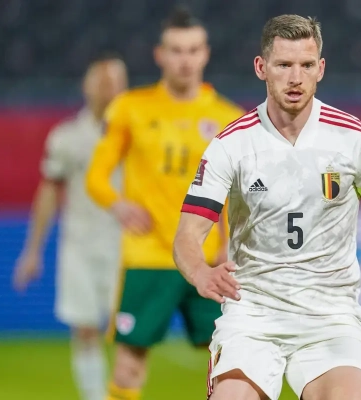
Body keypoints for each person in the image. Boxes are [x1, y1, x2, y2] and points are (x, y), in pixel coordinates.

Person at [173, 14, 361, 400]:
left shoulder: (356, 141)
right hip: (252, 316)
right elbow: (187, 234)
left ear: (321, 69)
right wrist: (200, 271)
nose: (295, 78)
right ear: (261, 67)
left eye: (306, 65)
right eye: (284, 65)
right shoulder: (230, 146)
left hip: (330, 318)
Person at [84, 7, 245, 400]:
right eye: (176, 50)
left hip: (208, 258)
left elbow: (238, 194)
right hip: (147, 256)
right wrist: (118, 205)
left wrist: (230, 241)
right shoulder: (131, 108)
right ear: (160, 55)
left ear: (205, 54)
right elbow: (96, 176)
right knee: (129, 364)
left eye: (193, 50)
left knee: (233, 362)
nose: (185, 60)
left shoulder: (229, 118)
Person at [12, 53, 128, 400]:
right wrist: (33, 250)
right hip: (79, 243)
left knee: (128, 332)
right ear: (86, 86)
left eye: (115, 81)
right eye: (102, 81)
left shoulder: (137, 133)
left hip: (127, 245)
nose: (109, 89)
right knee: (85, 328)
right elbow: (48, 191)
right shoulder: (66, 137)